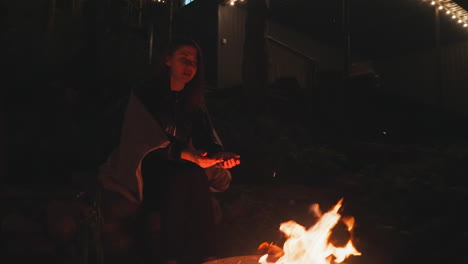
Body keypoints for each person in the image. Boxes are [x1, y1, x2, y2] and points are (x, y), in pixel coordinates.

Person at [98, 38, 240, 264]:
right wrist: (187, 156)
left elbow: (206, 138)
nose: (189, 66)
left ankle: (205, 255)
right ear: (167, 60)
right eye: (184, 59)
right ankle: (170, 256)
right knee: (183, 177)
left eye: (194, 62)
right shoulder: (147, 94)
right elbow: (144, 139)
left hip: (183, 164)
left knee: (193, 176)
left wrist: (219, 156)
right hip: (147, 165)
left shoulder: (192, 100)